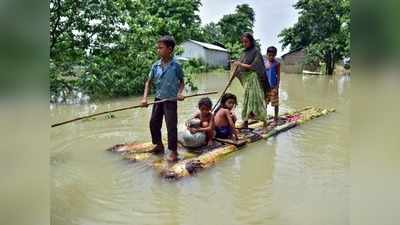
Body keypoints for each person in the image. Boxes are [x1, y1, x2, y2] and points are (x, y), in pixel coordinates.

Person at [141, 35, 184, 162]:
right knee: (153, 123)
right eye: (157, 48)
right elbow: (148, 82)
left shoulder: (176, 66)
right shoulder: (155, 66)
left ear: (170, 49)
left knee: (171, 126)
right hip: (158, 99)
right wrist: (144, 98)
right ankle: (159, 145)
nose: (158, 50)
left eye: (160, 48)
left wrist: (180, 93)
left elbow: (181, 81)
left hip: (171, 100)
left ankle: (173, 151)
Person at [233, 32, 268, 128]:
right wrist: (235, 73)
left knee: (256, 100)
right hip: (246, 80)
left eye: (246, 42)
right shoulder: (243, 53)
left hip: (253, 79)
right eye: (243, 42)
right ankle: (246, 122)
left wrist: (239, 64)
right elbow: (239, 67)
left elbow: (254, 67)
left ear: (251, 41)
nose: (244, 44)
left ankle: (264, 121)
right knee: (246, 101)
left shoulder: (256, 51)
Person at [264, 46, 281, 125]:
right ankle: (264, 119)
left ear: (275, 55)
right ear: (267, 54)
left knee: (275, 104)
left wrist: (277, 87)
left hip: (273, 87)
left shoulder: (277, 64)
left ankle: (276, 118)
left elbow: (278, 76)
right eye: (269, 55)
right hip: (266, 87)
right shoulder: (264, 63)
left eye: (272, 55)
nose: (271, 57)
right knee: (265, 104)